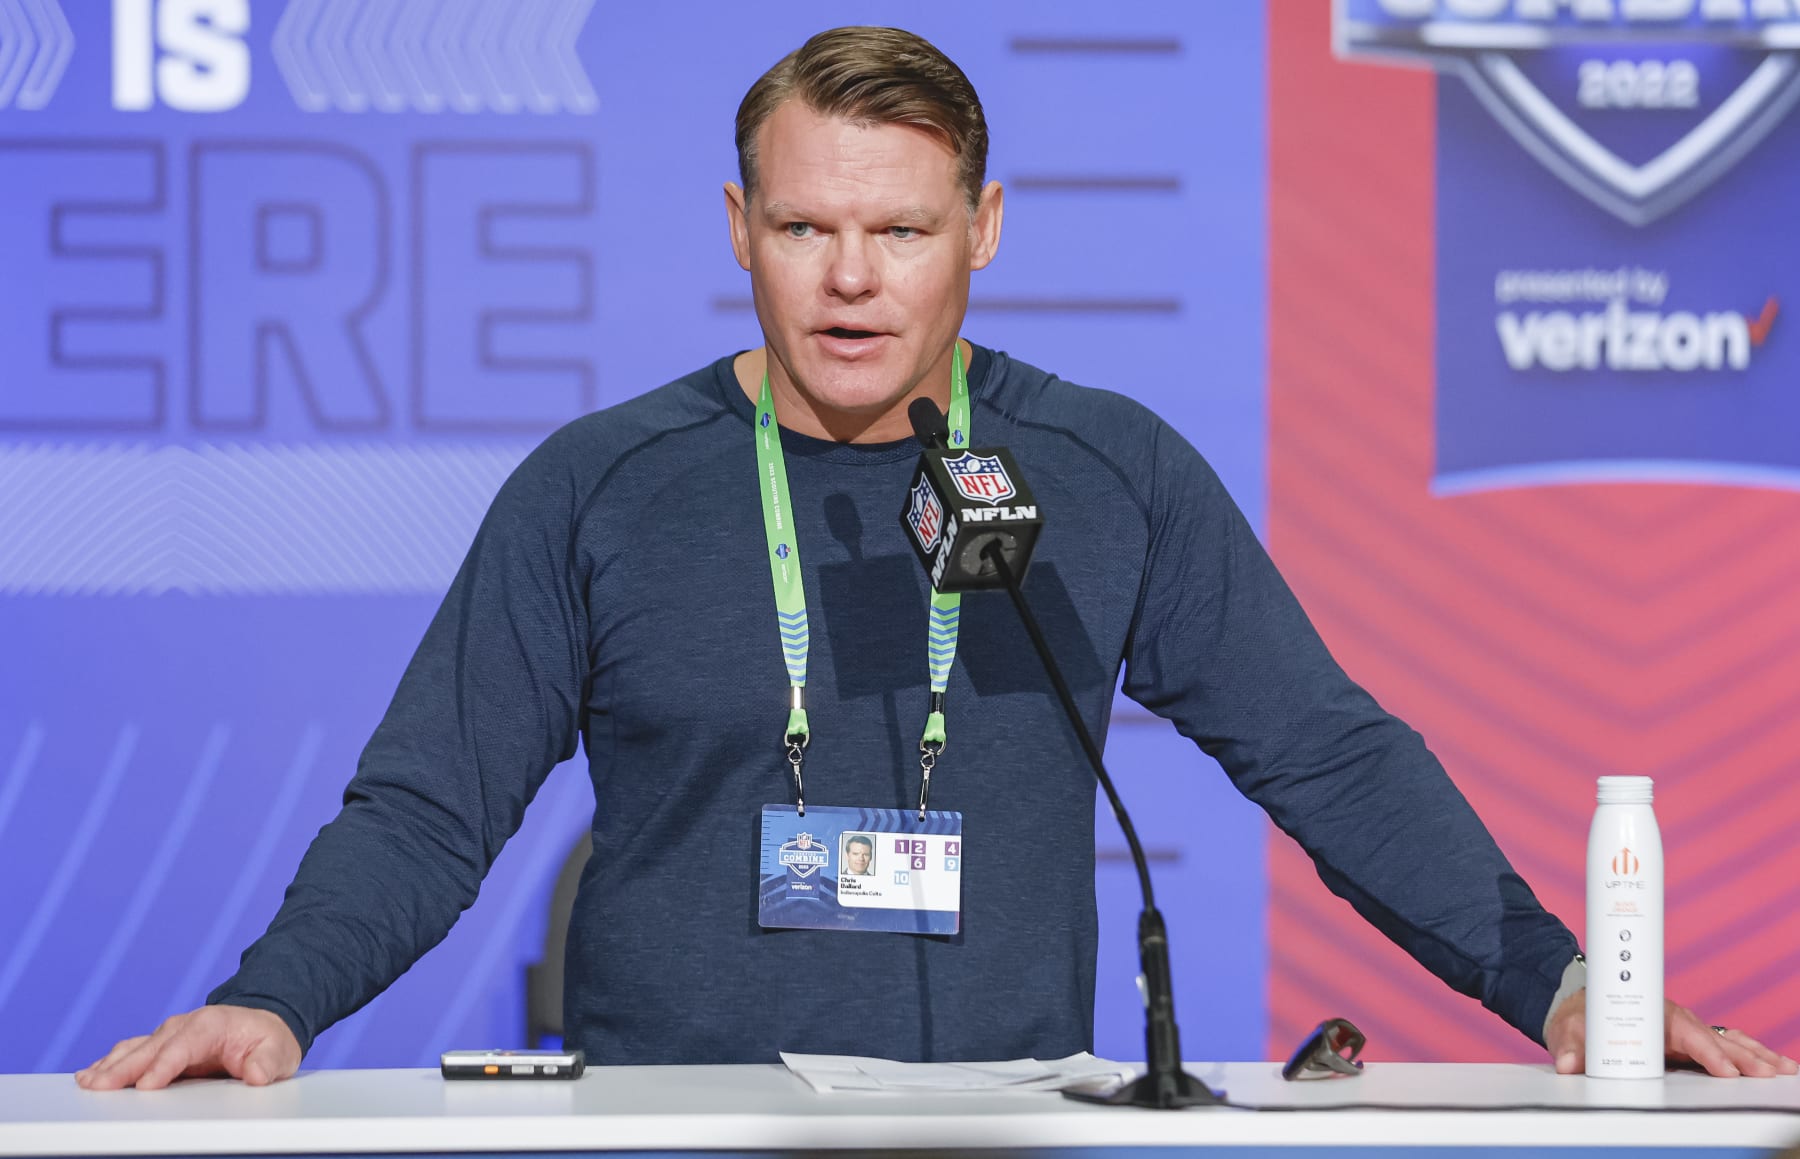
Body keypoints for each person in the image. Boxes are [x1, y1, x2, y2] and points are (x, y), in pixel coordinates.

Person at [77, 26, 1794, 1091]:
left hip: (1012, 1124)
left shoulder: (1105, 471)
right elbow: (427, 807)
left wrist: (1563, 982)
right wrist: (273, 1001)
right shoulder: (600, 488)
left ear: (983, 228)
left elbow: (1325, 751)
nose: (851, 278)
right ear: (738, 229)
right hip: (669, 1128)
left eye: (900, 229)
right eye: (806, 227)